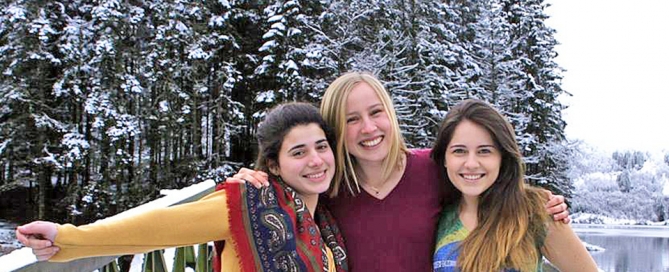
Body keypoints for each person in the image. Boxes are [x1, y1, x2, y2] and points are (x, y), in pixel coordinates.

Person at [231, 72, 570, 271]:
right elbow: (283, 190)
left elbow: (485, 182)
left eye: (376, 112)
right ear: (336, 127)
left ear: (390, 114)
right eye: (351, 119)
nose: (368, 127)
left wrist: (540, 203)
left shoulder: (432, 170)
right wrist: (246, 184)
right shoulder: (326, 187)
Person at [15, 102, 348, 271]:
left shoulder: (325, 228)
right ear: (274, 164)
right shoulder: (252, 200)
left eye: (321, 146)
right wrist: (68, 239)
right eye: (298, 152)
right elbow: (159, 227)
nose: (316, 160)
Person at [430, 99, 598, 272]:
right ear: (444, 158)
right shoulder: (436, 217)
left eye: (484, 151)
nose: (471, 163)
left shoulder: (537, 212)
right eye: (459, 151)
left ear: (502, 157)